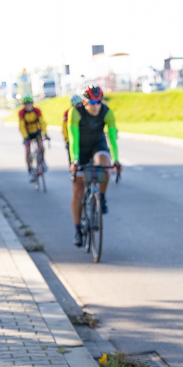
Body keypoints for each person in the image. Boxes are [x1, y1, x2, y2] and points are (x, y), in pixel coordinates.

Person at [67, 85, 120, 247]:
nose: (96, 105)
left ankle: (101, 197)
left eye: (99, 101)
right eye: (92, 102)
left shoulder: (107, 112)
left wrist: (116, 160)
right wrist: (75, 160)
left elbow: (112, 138)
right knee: (78, 188)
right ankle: (77, 229)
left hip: (97, 144)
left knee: (105, 164)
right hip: (80, 148)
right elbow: (73, 139)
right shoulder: (75, 112)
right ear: (84, 102)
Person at [18, 95, 48, 180]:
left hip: (36, 131)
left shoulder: (37, 111)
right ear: (24, 105)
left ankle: (42, 160)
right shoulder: (22, 113)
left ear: (32, 104)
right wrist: (25, 137)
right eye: (26, 104)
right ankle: (29, 170)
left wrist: (45, 134)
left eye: (30, 104)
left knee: (41, 146)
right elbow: (22, 126)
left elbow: (42, 122)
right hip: (27, 133)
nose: (28, 106)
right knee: (27, 151)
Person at [63, 94, 82, 165]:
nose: (77, 107)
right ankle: (73, 167)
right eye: (75, 105)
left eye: (79, 104)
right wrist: (67, 140)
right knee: (71, 151)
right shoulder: (67, 112)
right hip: (71, 135)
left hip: (82, 135)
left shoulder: (84, 110)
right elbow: (64, 128)